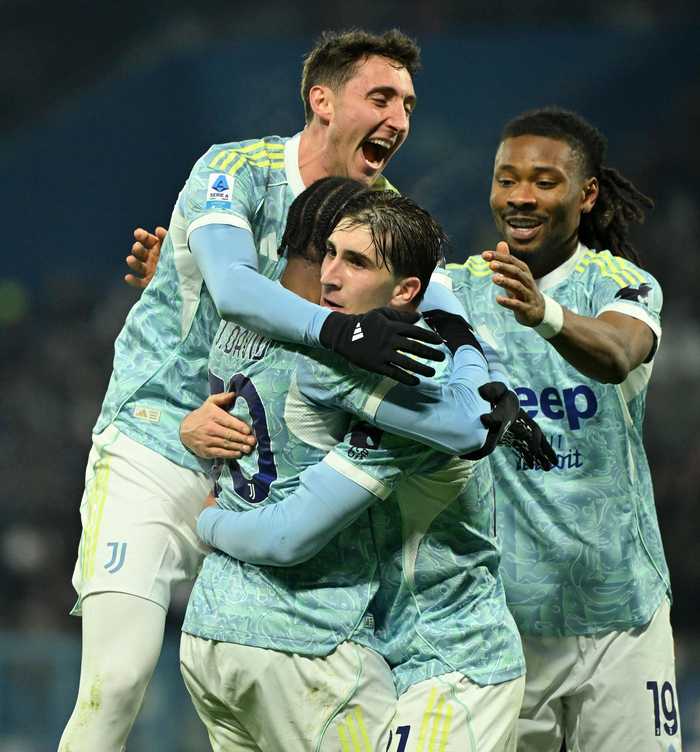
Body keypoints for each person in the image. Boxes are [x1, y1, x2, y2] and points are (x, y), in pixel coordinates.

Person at [59, 29, 453, 752]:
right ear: (322, 101)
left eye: (407, 104)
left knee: (256, 681)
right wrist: (343, 331)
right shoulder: (235, 170)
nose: (398, 119)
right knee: (115, 683)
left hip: (271, 473)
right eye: (381, 98)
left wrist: (483, 374)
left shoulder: (386, 211)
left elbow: (443, 309)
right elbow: (236, 289)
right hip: (157, 440)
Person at [179, 182, 534, 751]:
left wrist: (207, 517)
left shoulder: (383, 366)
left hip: (454, 654)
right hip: (358, 642)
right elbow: (472, 418)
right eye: (331, 254)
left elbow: (469, 421)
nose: (331, 276)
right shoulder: (345, 353)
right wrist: (478, 357)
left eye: (356, 262)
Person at [443, 107, 681, 751]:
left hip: (620, 616)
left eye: (544, 181)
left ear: (586, 193)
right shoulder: (458, 291)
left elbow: (617, 353)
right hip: (506, 623)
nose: (520, 197)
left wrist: (544, 314)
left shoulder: (623, 284)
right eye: (507, 179)